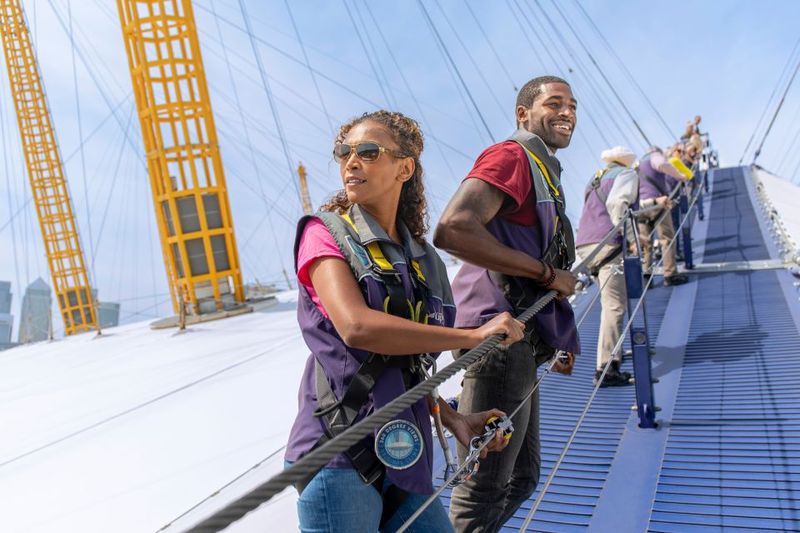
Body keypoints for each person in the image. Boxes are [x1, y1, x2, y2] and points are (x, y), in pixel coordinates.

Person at [285, 110, 526, 532]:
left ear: (405, 167)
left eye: (368, 152)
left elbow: (406, 363)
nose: (351, 162)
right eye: (344, 152)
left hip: (404, 457)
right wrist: (472, 334)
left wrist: (451, 419)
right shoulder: (324, 235)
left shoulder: (424, 261)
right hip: (340, 455)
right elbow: (357, 328)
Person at [434, 76, 580, 532]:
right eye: (554, 103)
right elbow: (453, 228)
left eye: (573, 106)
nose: (568, 112)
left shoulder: (543, 170)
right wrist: (545, 275)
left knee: (522, 476)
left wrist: (552, 334)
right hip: (497, 339)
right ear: (523, 114)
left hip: (521, 338)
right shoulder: (513, 156)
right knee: (484, 486)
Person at [575, 146, 639, 387]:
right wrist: (633, 239)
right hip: (608, 244)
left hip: (585, 245)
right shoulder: (626, 174)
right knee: (615, 307)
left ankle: (613, 356)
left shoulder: (596, 178)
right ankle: (606, 368)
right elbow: (617, 204)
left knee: (609, 304)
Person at [637, 146, 689, 286]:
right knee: (667, 239)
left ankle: (646, 276)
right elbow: (661, 164)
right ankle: (670, 274)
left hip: (641, 206)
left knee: (646, 244)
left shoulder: (638, 164)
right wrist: (680, 176)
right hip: (657, 203)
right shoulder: (655, 157)